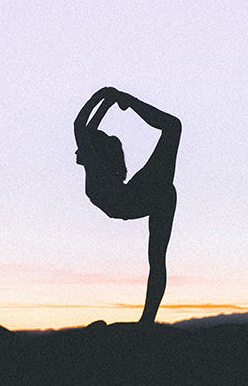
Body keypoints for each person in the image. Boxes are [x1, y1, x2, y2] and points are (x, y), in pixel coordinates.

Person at [74, 87, 181, 324]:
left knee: (173, 126)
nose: (76, 150)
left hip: (136, 198)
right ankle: (147, 320)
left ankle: (147, 321)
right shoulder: (96, 167)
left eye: (81, 148)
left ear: (92, 151)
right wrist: (109, 98)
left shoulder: (95, 166)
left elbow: (80, 126)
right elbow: (85, 129)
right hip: (142, 197)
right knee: (173, 127)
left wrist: (107, 97)